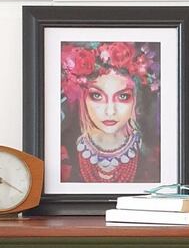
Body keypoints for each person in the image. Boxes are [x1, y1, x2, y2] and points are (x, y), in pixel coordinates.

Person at [60, 41, 161, 183]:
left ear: (135, 100)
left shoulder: (155, 156)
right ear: (82, 99)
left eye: (123, 96)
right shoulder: (62, 153)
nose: (110, 111)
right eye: (97, 96)